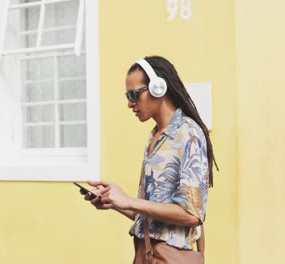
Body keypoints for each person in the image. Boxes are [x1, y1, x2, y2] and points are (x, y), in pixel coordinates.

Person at [80, 56, 217, 263]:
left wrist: (129, 201)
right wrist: (114, 201)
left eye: (134, 94)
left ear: (158, 88)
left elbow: (192, 214)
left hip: (169, 257)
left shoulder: (188, 135)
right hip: (145, 255)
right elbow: (151, 218)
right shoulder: (155, 136)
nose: (129, 103)